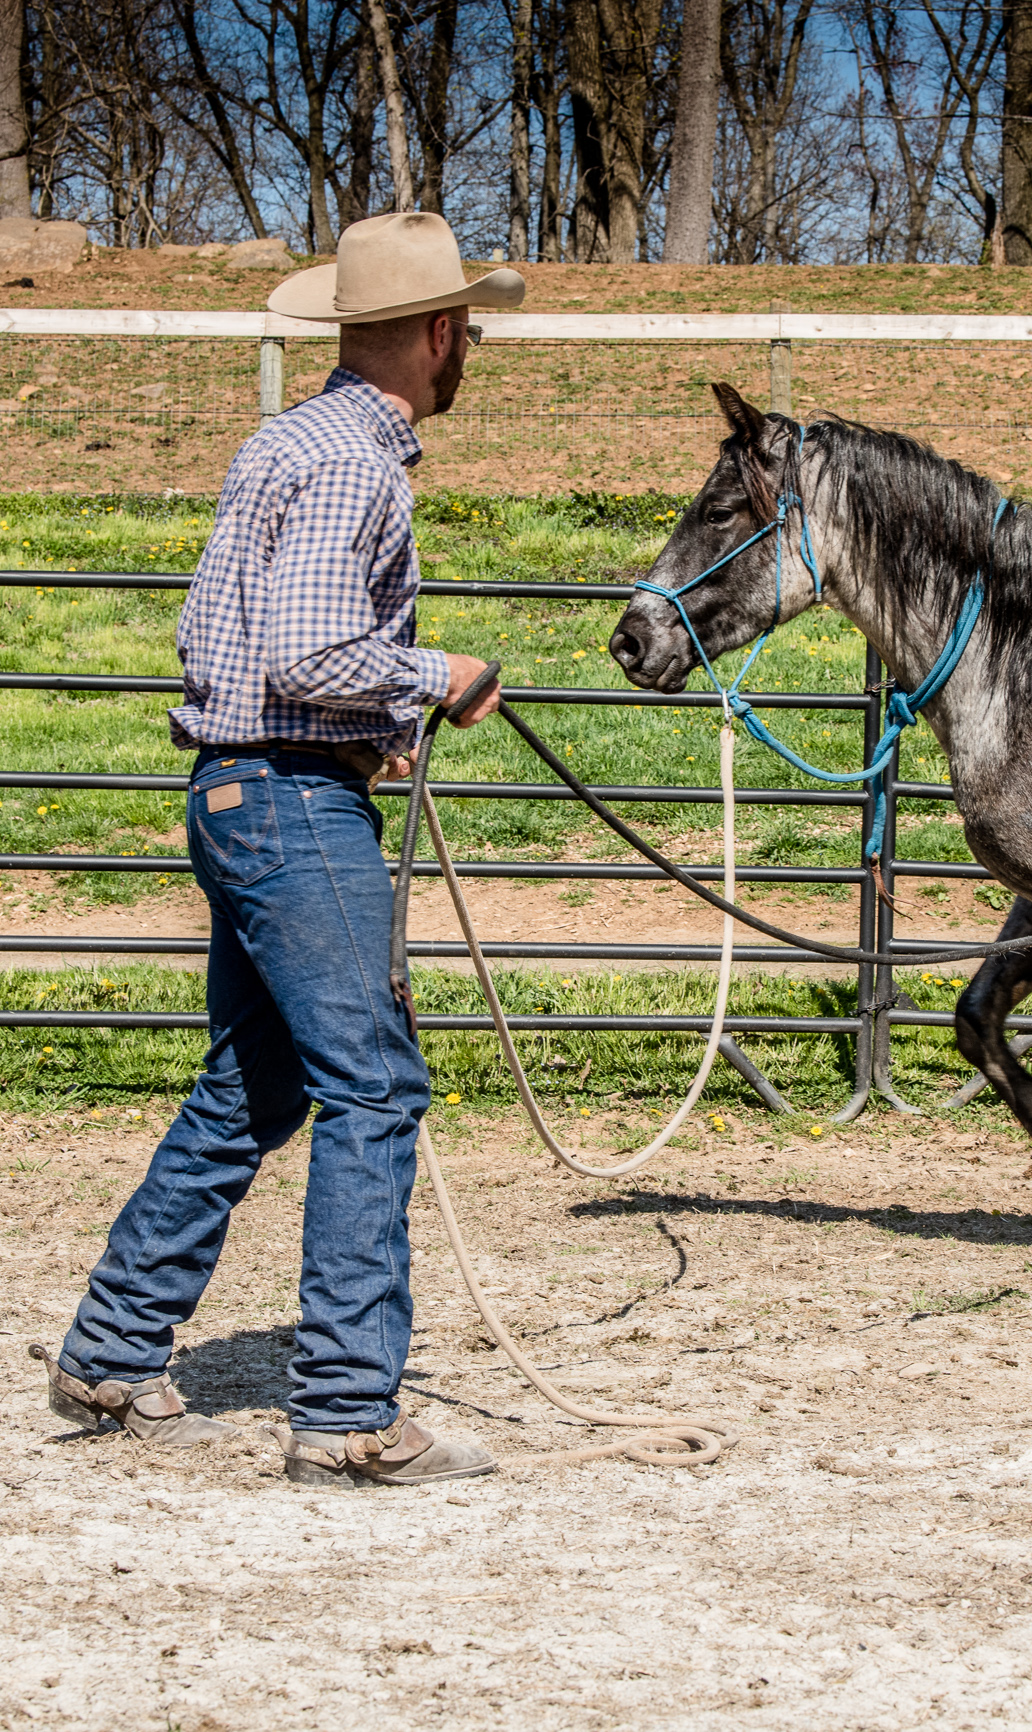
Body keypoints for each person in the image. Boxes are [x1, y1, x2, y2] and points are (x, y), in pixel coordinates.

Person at [33, 212, 519, 1489]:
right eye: (465, 325)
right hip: (294, 808)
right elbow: (307, 655)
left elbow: (229, 641)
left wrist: (368, 729)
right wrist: (434, 675)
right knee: (374, 1084)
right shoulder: (357, 467)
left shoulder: (281, 445)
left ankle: (113, 1346)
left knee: (256, 1083)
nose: (469, 345)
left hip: (243, 792)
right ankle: (351, 1411)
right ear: (433, 332)